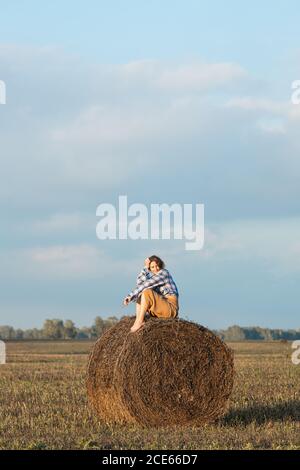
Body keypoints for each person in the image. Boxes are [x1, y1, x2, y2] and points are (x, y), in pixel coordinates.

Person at [123, 255, 179, 333]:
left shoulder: (164, 273)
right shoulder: (153, 276)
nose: (156, 268)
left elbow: (147, 284)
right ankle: (137, 320)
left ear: (160, 265)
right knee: (142, 293)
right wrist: (145, 268)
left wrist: (130, 296)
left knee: (146, 291)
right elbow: (140, 283)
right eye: (152, 267)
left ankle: (140, 321)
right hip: (159, 308)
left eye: (157, 266)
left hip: (170, 308)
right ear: (150, 269)